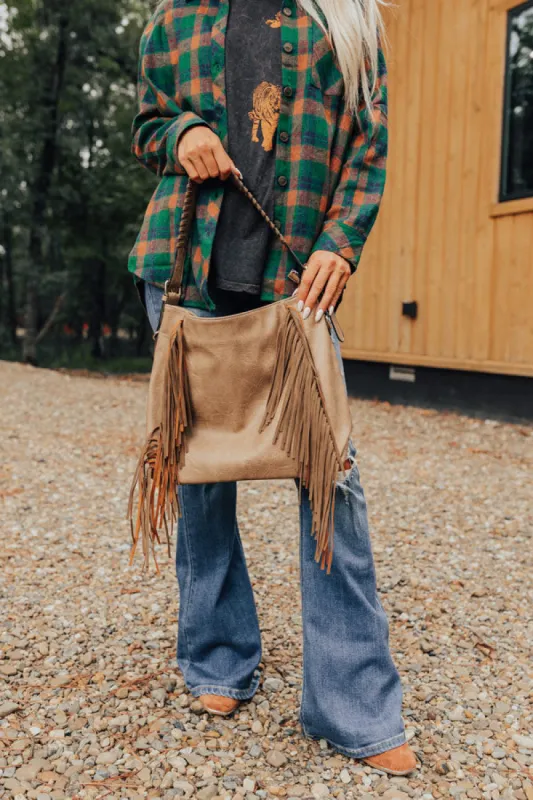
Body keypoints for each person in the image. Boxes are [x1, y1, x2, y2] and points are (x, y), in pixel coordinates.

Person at [129, 0, 418, 776]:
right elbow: (148, 121)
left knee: (330, 480)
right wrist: (181, 134)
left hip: (295, 283)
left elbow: (367, 145)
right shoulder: (173, 18)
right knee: (197, 477)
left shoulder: (347, 19)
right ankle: (218, 659)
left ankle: (352, 703)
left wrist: (341, 244)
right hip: (185, 272)